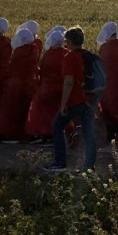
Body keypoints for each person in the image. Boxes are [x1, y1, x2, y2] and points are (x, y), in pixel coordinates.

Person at [45, 27, 97, 172]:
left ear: (70, 41)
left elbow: (68, 82)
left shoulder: (69, 57)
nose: (65, 43)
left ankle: (60, 163)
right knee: (88, 133)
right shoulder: (89, 55)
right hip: (89, 99)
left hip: (75, 100)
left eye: (66, 40)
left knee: (57, 126)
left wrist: (63, 103)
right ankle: (89, 166)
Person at [0, 28, 38, 141]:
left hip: (16, 84)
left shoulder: (19, 52)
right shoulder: (33, 49)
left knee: (11, 110)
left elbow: (13, 67)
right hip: (28, 83)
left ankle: (11, 133)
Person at [27, 28, 67, 140]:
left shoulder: (49, 54)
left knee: (39, 108)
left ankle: (45, 132)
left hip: (48, 88)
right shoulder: (67, 53)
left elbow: (43, 70)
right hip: (63, 88)